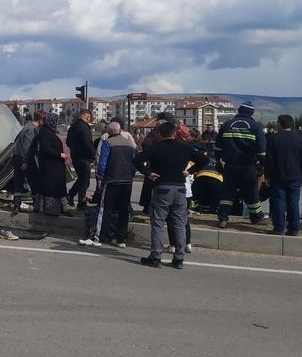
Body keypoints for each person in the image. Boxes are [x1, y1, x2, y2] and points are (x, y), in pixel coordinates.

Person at [135, 121, 209, 269]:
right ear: (174, 133)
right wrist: (190, 171)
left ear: (160, 134)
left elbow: (137, 160)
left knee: (158, 223)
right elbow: (204, 159)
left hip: (162, 187)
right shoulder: (184, 147)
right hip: (180, 188)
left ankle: (156, 256)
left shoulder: (155, 148)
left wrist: (148, 174)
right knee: (179, 224)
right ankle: (179, 258)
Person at [80, 121, 136, 248]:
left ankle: (97, 238)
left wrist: (100, 178)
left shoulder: (108, 143)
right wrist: (130, 175)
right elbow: (134, 162)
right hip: (127, 181)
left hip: (112, 180)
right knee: (123, 210)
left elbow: (102, 163)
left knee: (104, 209)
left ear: (109, 132)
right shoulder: (130, 144)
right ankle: (121, 239)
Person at [215, 102, 266, 228]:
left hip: (230, 166)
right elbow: (262, 150)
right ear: (251, 113)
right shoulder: (255, 126)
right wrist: (262, 166)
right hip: (248, 166)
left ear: (239, 110)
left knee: (227, 192)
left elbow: (217, 147)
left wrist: (218, 161)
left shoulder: (226, 124)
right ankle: (255, 217)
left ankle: (223, 217)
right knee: (251, 192)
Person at [264, 114, 302, 236]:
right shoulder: (299, 139)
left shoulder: (274, 139)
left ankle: (279, 227)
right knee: (293, 202)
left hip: (278, 176)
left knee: (279, 201)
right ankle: (294, 228)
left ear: (279, 124)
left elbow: (269, 160)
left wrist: (267, 176)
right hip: (295, 176)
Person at [31, 113, 69, 217]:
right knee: (51, 189)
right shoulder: (45, 133)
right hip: (50, 167)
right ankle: (51, 210)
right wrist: (59, 154)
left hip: (54, 166)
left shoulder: (50, 132)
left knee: (55, 188)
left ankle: (58, 209)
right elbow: (46, 149)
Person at [12, 110, 44, 200]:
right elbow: (28, 147)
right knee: (34, 181)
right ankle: (36, 203)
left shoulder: (27, 127)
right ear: (40, 120)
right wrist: (25, 162)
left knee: (18, 182)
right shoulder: (32, 130)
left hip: (18, 157)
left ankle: (17, 205)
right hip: (25, 159)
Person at [66, 109, 94, 209]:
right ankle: (81, 202)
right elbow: (88, 145)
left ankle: (71, 195)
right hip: (84, 158)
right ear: (88, 117)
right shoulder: (85, 128)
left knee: (82, 178)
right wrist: (93, 156)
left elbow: (68, 142)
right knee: (84, 181)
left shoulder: (73, 127)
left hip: (75, 156)